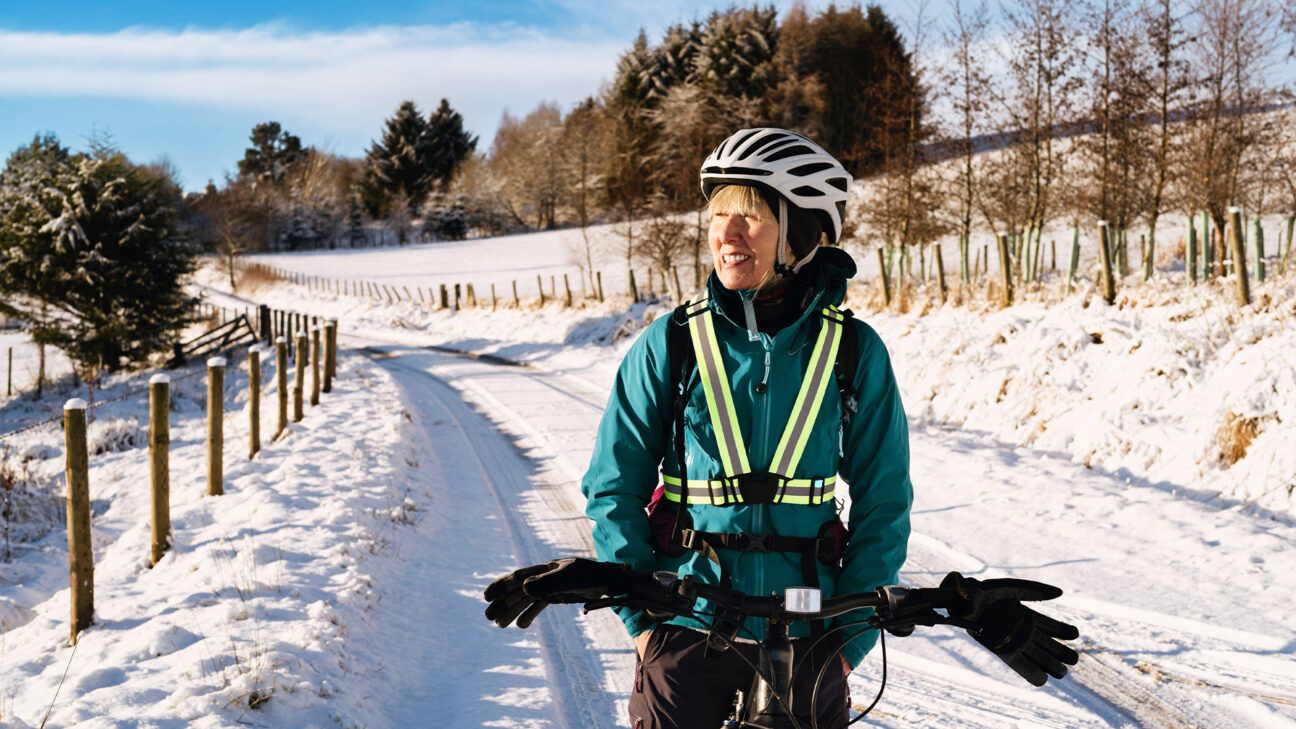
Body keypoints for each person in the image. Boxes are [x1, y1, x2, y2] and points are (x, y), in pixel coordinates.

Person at [580, 128, 911, 729]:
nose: (727, 235)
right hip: (685, 625)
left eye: (751, 217)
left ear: (804, 232)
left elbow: (885, 502)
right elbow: (613, 487)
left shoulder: (853, 352)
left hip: (811, 630)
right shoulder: (672, 343)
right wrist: (645, 630)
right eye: (718, 215)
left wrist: (846, 646)